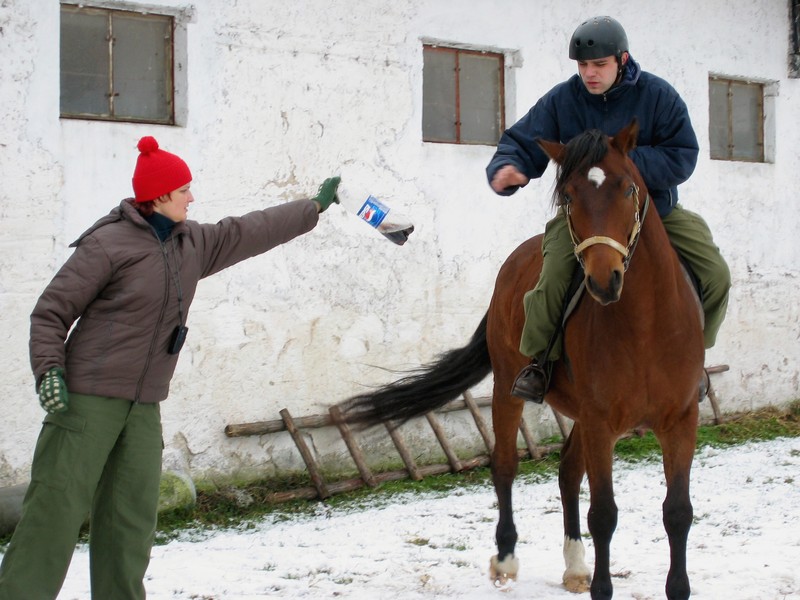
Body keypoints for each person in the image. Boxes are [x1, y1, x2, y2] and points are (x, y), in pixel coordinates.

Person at [0, 136, 341, 600]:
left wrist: (313, 207)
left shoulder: (191, 243)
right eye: (183, 190)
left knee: (130, 518)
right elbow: (50, 313)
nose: (191, 197)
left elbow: (249, 230)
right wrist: (49, 372)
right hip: (86, 401)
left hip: (143, 406)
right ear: (159, 196)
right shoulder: (106, 244)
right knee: (54, 512)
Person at [486, 16, 730, 403]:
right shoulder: (563, 100)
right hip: (584, 218)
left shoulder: (658, 96)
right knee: (550, 281)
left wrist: (622, 167)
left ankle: (694, 356)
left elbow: (682, 154)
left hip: (656, 213)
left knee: (716, 274)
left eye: (599, 64)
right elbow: (522, 139)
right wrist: (508, 166)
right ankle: (539, 363)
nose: (590, 74)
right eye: (583, 65)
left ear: (622, 60)